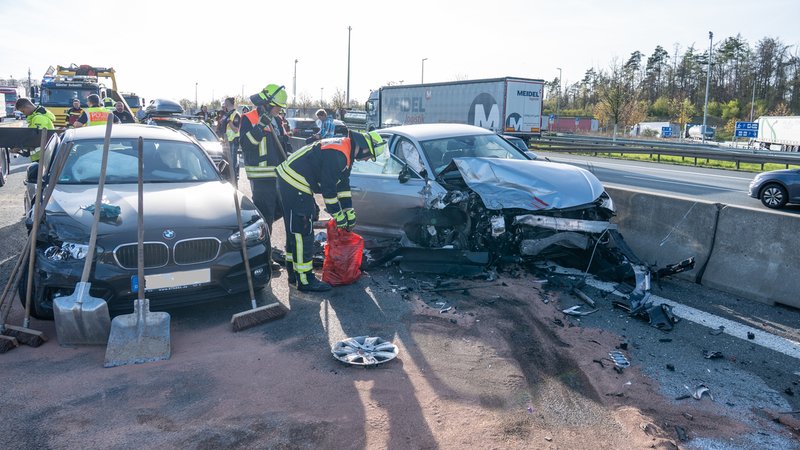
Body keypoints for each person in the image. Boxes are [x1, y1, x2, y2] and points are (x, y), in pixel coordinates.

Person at [276, 130, 385, 292]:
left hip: (292, 181)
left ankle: (294, 273)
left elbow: (342, 185)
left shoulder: (346, 151)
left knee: (295, 232)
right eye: (370, 156)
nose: (368, 159)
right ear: (365, 148)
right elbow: (329, 190)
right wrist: (338, 215)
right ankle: (305, 280)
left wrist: (349, 211)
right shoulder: (338, 154)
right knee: (302, 233)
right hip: (295, 183)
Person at [240, 85, 288, 234]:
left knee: (281, 209)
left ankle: (260, 229)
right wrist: (260, 126)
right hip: (261, 176)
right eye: (278, 107)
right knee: (266, 214)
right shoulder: (249, 118)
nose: (279, 111)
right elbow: (247, 145)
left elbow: (283, 145)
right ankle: (264, 250)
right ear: (268, 104)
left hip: (279, 174)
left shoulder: (278, 120)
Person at [13, 97, 55, 162]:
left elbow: (36, 137)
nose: (24, 114)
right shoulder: (37, 117)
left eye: (23, 111)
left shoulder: (39, 118)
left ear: (27, 106)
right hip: (42, 156)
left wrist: (19, 147)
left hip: (43, 157)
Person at [222, 97, 241, 175]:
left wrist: (229, 121)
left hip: (233, 140)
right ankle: (228, 175)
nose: (224, 105)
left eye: (225, 103)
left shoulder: (236, 114)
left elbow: (236, 130)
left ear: (228, 103)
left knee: (232, 160)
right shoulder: (227, 114)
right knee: (226, 160)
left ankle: (233, 176)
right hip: (226, 141)